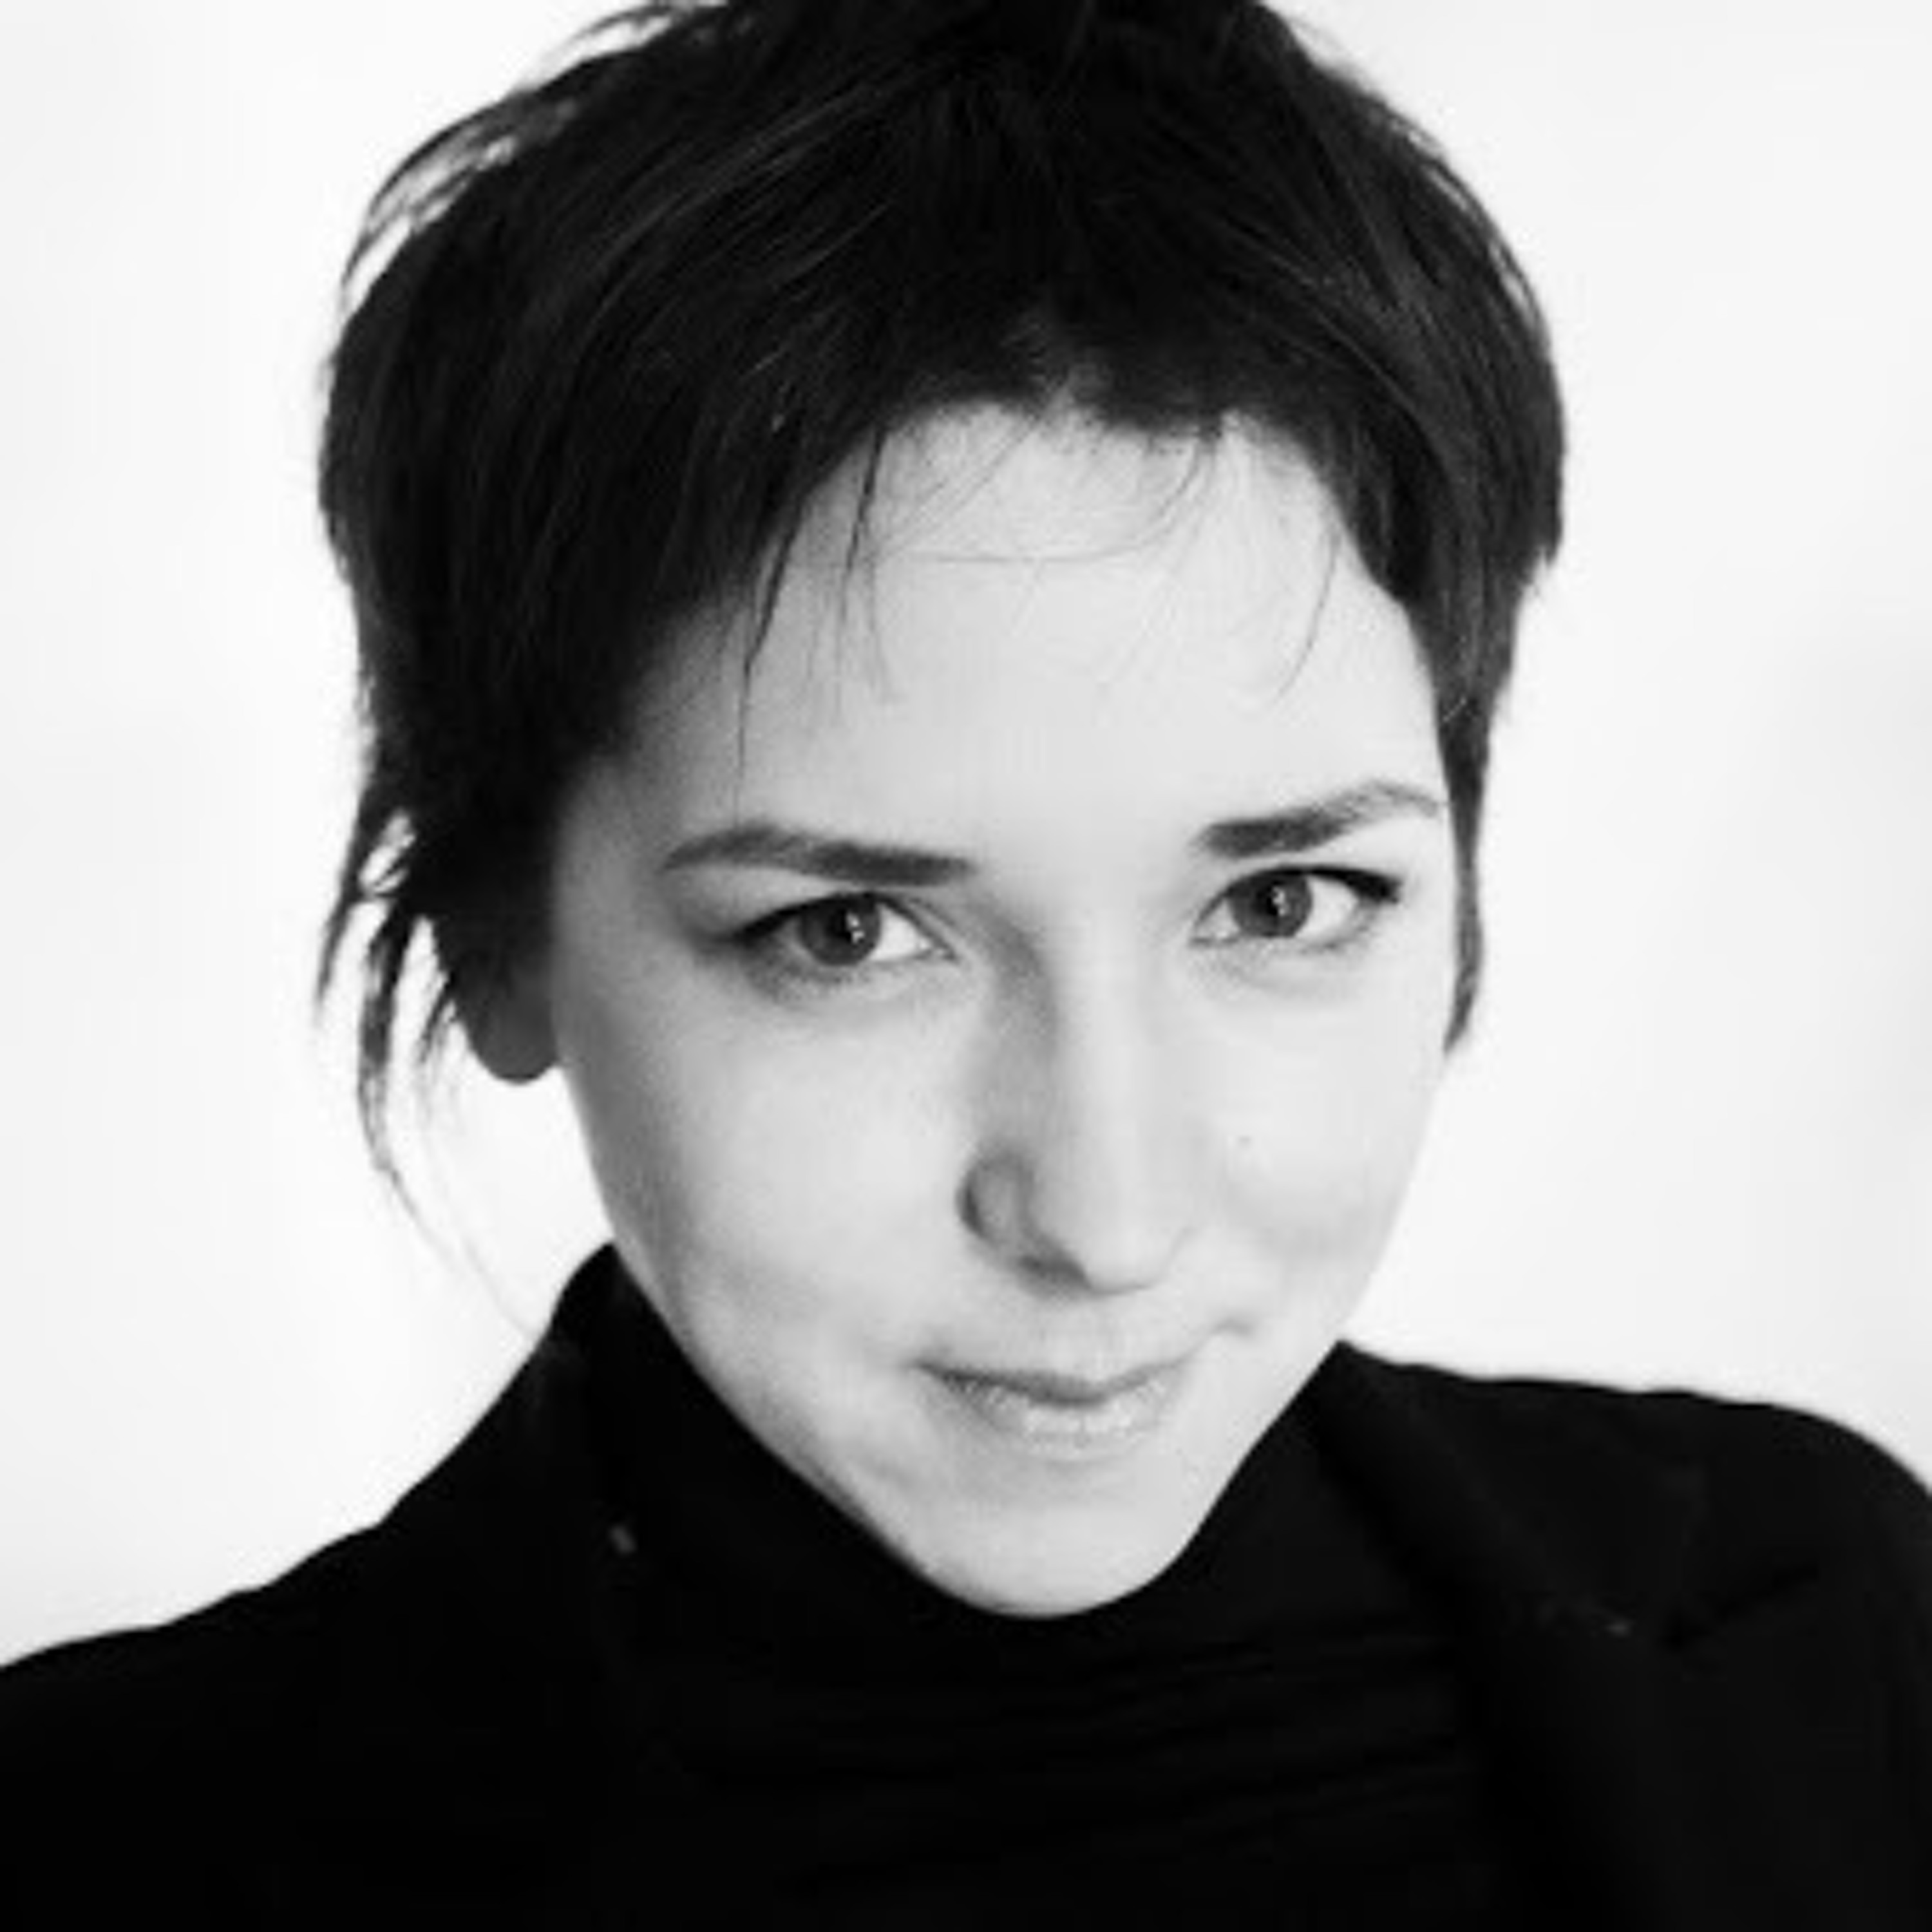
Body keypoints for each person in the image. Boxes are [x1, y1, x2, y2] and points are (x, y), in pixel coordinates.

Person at [2, 0, 1928, 1923]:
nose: (1105, 1220)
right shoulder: (97, 1848)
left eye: (1282, 904)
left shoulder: (1835, 1640)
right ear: (495, 924)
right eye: (846, 934)